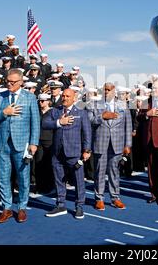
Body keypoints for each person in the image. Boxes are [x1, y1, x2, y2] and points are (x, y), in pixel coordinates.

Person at [0, 69, 40, 224]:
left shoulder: (30, 97)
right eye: (7, 81)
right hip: (2, 144)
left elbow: (35, 122)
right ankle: (7, 208)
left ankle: (22, 207)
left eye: (13, 82)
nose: (9, 84)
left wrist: (34, 143)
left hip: (22, 144)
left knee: (23, 177)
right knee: (3, 177)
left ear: (21, 82)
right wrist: (4, 112)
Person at [42, 89, 91, 219]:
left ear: (74, 98)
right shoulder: (55, 111)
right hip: (57, 152)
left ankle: (79, 206)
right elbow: (44, 123)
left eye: (67, 96)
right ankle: (60, 205)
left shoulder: (81, 112)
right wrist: (59, 122)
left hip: (74, 153)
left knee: (78, 181)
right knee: (58, 179)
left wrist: (87, 150)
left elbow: (87, 132)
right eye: (63, 95)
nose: (64, 98)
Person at [88, 83, 132, 211]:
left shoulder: (123, 105)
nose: (106, 92)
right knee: (99, 171)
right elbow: (89, 121)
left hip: (117, 143)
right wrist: (102, 116)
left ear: (114, 91)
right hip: (100, 142)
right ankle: (99, 198)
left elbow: (128, 126)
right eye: (105, 89)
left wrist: (128, 144)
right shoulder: (94, 104)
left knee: (114, 171)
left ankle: (115, 197)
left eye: (109, 89)